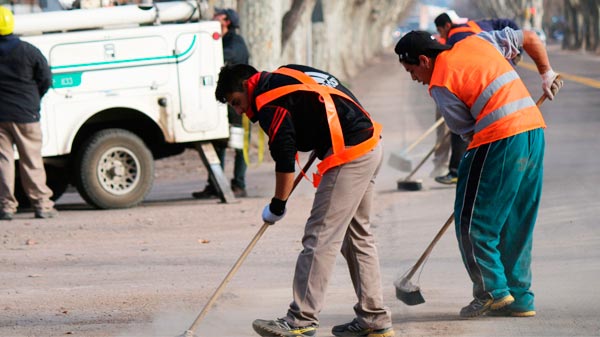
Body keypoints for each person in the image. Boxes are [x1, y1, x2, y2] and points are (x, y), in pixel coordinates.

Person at [215, 63, 394, 337]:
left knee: (320, 237)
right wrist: (321, 134)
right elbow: (328, 96)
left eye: (236, 102)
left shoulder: (268, 102)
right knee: (357, 236)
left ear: (246, 85)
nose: (238, 111)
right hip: (369, 143)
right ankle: (374, 318)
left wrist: (277, 205)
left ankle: (301, 319)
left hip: (349, 155)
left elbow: (285, 159)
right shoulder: (289, 73)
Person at [394, 28, 562, 318]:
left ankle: (492, 291)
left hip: (499, 140)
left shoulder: (440, 83)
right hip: (533, 132)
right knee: (516, 219)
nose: (413, 79)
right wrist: (546, 73)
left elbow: (468, 133)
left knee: (472, 222)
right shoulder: (478, 41)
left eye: (411, 70)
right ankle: (520, 297)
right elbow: (531, 37)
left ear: (424, 60)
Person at [431, 12, 522, 185]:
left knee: (461, 127)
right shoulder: (477, 24)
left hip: (487, 86)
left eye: (440, 30)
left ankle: (458, 171)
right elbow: (508, 21)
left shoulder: (454, 39)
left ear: (447, 26)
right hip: (505, 78)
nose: (441, 35)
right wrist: (517, 54)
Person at [0, 6, 58, 220]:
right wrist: (33, 100)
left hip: (1, 117)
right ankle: (42, 205)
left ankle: (6, 207)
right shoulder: (29, 50)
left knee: (3, 162)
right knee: (31, 160)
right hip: (27, 115)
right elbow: (46, 80)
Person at [192, 7, 250, 199]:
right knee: (218, 143)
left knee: (239, 143)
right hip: (223, 102)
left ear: (226, 21)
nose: (214, 16)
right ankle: (215, 184)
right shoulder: (219, 39)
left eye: (218, 15)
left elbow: (226, 56)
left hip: (238, 105)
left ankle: (239, 185)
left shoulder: (235, 42)